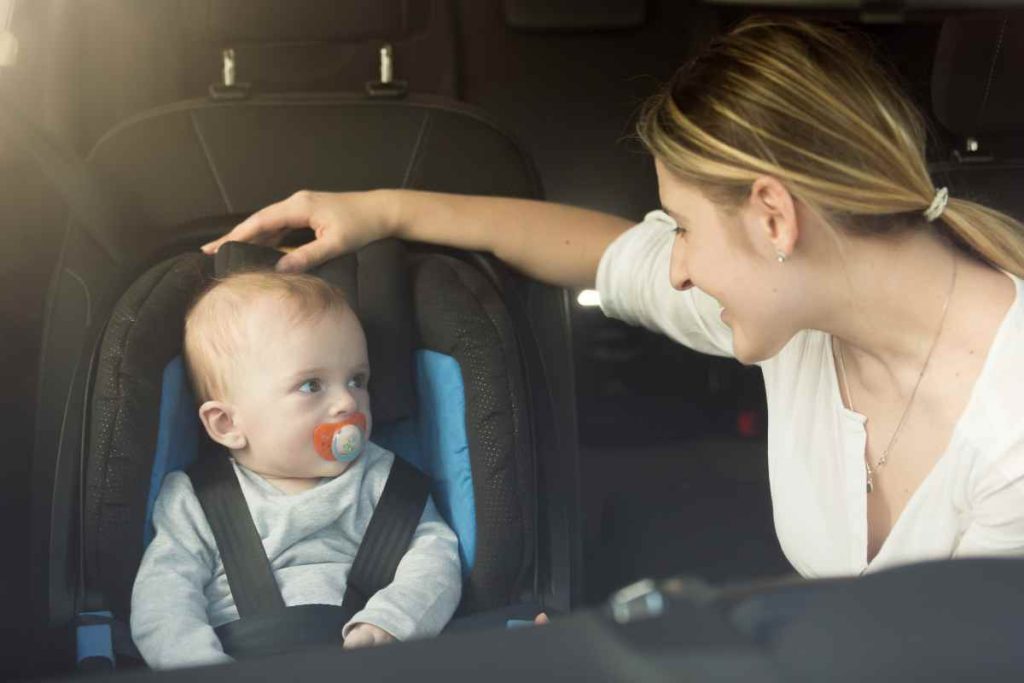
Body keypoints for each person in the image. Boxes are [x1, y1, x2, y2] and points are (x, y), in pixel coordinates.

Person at [202, 17, 1024, 578]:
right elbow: (599, 253)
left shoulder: (1011, 427)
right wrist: (381, 209)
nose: (676, 268)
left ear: (775, 215)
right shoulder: (804, 307)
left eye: (686, 231)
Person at [130, 272, 462, 669]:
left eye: (357, 380)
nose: (347, 403)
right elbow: (164, 597)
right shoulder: (197, 500)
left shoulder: (385, 482)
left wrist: (391, 622)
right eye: (311, 386)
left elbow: (435, 558)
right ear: (227, 424)